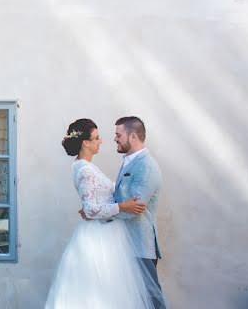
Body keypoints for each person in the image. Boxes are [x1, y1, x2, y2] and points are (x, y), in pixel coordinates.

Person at [44, 119, 163, 309]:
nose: (103, 141)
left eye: (117, 135)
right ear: (86, 142)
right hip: (100, 238)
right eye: (97, 138)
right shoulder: (85, 169)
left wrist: (98, 210)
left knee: (121, 294)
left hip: (116, 236)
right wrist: (120, 207)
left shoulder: (86, 166)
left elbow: (100, 203)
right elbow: (93, 207)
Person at [112, 116, 167, 309]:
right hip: (126, 244)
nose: (114, 138)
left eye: (118, 134)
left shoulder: (146, 166)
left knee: (151, 301)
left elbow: (133, 209)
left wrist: (102, 212)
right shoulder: (129, 161)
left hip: (140, 246)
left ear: (133, 136)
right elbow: (122, 201)